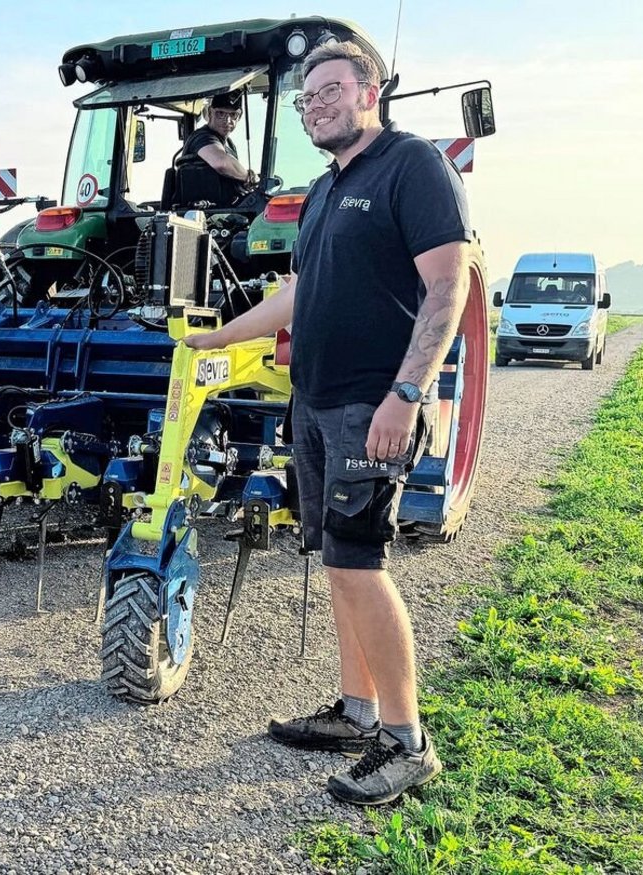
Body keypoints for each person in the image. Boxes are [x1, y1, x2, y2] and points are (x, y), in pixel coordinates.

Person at [185, 42, 471, 805]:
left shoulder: (413, 168)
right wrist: (217, 336)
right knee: (337, 558)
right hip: (315, 401)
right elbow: (301, 293)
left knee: (360, 562)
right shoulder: (320, 192)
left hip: (370, 404)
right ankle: (355, 710)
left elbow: (447, 287)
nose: (318, 105)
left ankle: (408, 741)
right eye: (307, 98)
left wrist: (406, 393)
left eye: (332, 90)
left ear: (369, 91)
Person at [174, 89, 260, 208]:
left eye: (233, 114)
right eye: (220, 113)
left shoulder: (229, 145)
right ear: (210, 113)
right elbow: (221, 163)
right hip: (201, 214)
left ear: (239, 116)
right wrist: (248, 176)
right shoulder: (202, 137)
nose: (227, 121)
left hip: (226, 211)